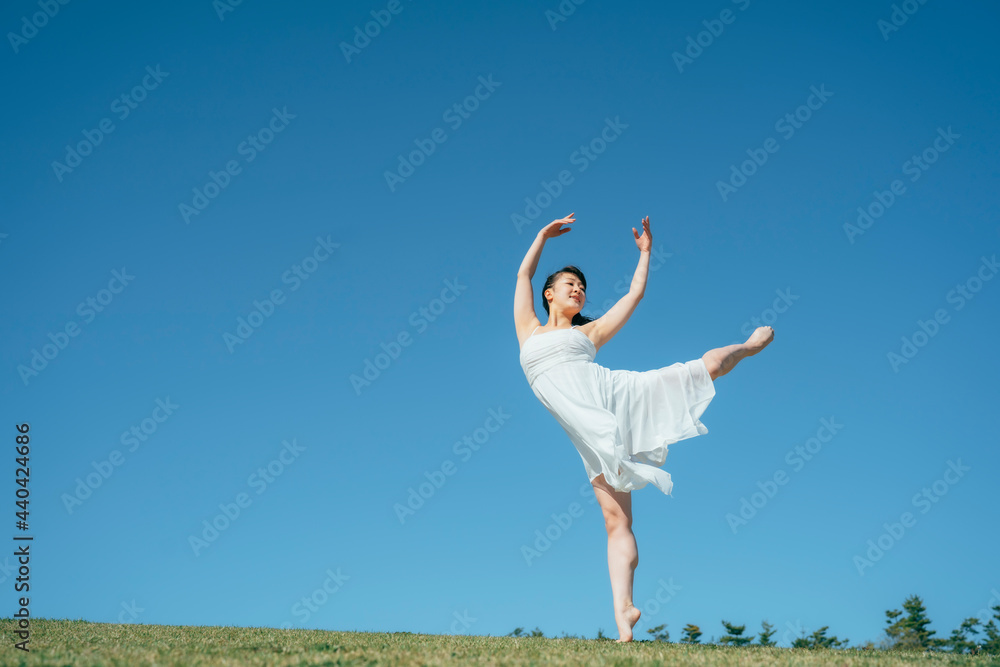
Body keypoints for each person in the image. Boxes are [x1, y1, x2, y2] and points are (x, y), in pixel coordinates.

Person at [514, 212, 774, 642]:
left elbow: (634, 295)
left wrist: (646, 253)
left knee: (698, 371)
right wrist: (542, 235)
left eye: (582, 287)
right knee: (615, 522)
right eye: (570, 284)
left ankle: (746, 347)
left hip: (620, 396)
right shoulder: (529, 331)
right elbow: (523, 274)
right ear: (549, 294)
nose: (578, 290)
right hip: (593, 433)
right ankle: (624, 614)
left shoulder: (590, 333)